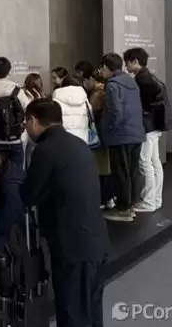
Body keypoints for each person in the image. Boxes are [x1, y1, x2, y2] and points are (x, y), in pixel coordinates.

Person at [21, 99, 109, 327]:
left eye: (26, 122)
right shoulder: (78, 144)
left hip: (72, 245)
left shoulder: (46, 150)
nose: (26, 128)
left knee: (72, 314)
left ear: (34, 120)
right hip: (95, 239)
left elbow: (29, 195)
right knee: (91, 312)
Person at [123, 48, 172, 212]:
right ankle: (155, 199)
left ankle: (149, 201)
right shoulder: (149, 77)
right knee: (154, 162)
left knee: (145, 162)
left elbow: (148, 104)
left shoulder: (143, 80)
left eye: (127, 62)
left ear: (135, 61)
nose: (126, 66)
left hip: (148, 126)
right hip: (155, 125)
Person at [98, 53, 146, 222]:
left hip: (120, 135)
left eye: (101, 68)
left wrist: (107, 129)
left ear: (106, 67)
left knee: (120, 173)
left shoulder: (112, 85)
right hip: (136, 132)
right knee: (132, 171)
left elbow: (115, 112)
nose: (101, 72)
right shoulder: (131, 82)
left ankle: (123, 208)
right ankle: (130, 205)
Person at [84, 70, 114, 209]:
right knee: (106, 167)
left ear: (92, 79)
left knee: (101, 168)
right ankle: (109, 197)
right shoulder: (106, 92)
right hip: (106, 133)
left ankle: (104, 198)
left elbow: (92, 114)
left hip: (98, 133)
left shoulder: (97, 95)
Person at [51, 75, 91, 143]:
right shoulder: (84, 98)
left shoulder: (56, 98)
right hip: (82, 138)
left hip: (63, 138)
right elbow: (90, 114)